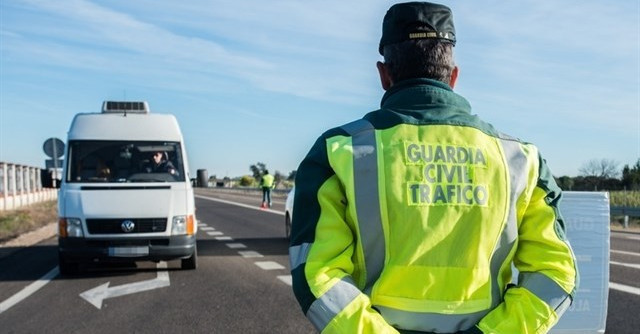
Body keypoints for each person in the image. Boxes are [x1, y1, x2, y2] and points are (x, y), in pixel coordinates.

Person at [289, 2, 578, 333]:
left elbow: (316, 273)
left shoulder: (338, 150)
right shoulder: (520, 159)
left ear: (384, 75)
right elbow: (555, 274)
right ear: (453, 76)